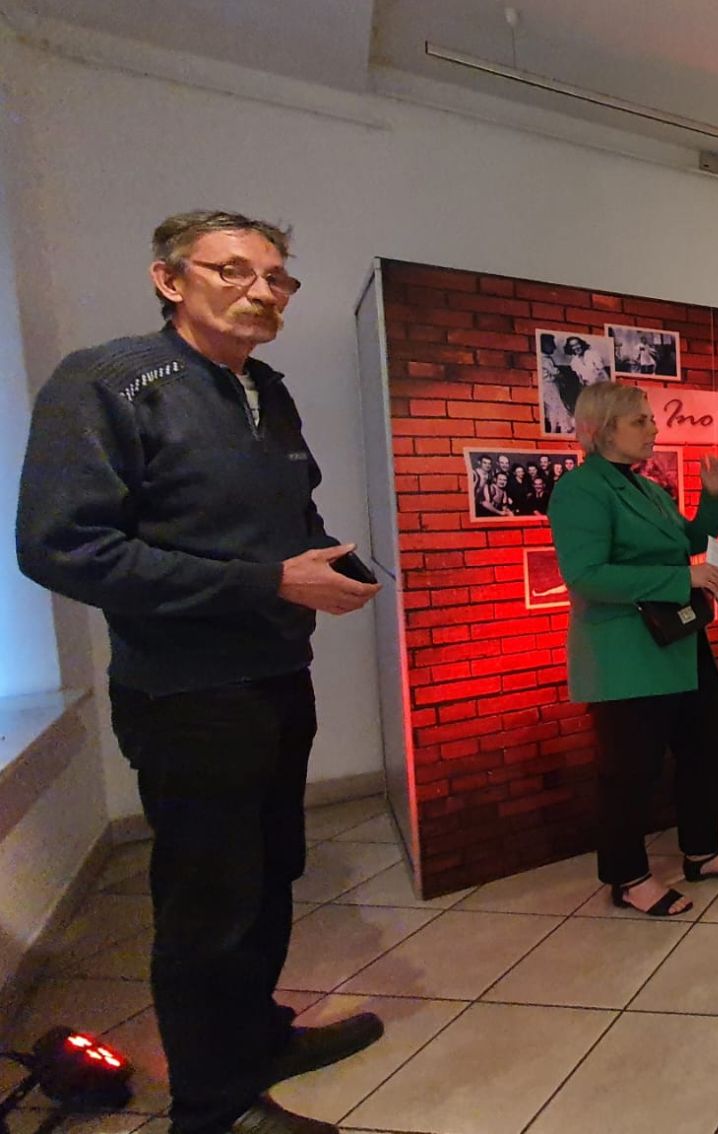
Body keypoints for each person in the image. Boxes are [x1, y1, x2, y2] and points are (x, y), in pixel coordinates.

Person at [16, 211, 385, 1134]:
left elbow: (290, 515)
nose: (262, 291)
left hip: (276, 673)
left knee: (271, 874)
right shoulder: (107, 381)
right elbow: (62, 548)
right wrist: (270, 581)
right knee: (208, 905)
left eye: (277, 278)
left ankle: (254, 1040)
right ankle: (213, 1108)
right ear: (170, 279)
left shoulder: (267, 391)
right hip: (185, 692)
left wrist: (323, 559)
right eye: (233, 270)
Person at [547, 382, 718, 923]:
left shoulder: (646, 487)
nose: (654, 428)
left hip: (676, 642)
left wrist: (711, 498)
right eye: (640, 421)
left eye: (650, 419)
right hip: (624, 652)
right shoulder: (580, 490)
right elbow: (586, 576)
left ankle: (702, 852)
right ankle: (627, 878)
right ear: (603, 429)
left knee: (710, 741)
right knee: (631, 769)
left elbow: (686, 541)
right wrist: (680, 578)